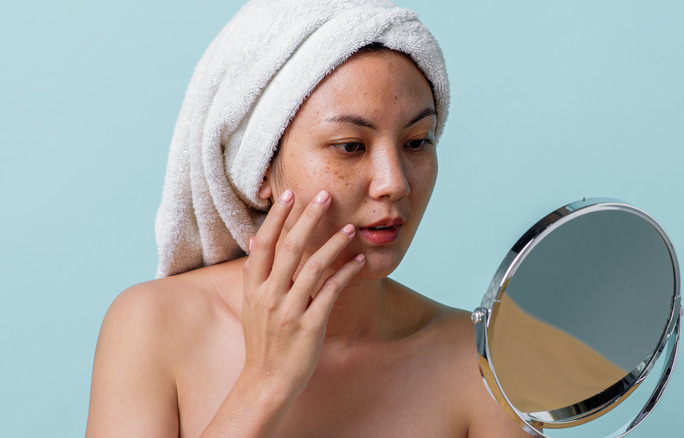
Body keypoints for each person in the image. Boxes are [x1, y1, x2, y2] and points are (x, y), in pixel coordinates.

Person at [86, 0, 533, 436]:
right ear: (260, 170)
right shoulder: (152, 326)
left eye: (417, 142)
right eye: (350, 146)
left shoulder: (477, 362)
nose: (394, 183)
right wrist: (264, 382)